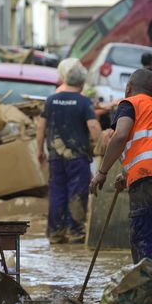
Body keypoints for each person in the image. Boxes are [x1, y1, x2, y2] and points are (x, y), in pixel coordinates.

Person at [89, 68, 152, 263]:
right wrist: (127, 174)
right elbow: (151, 147)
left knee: (145, 239)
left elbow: (121, 135)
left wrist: (102, 172)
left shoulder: (129, 103)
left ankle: (146, 290)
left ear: (128, 87)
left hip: (150, 179)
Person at [36, 58, 102, 244]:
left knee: (57, 192)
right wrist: (102, 147)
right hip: (77, 158)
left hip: (55, 157)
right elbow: (94, 128)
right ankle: (75, 232)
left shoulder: (51, 101)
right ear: (82, 82)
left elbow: (41, 127)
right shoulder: (83, 102)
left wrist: (39, 150)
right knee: (77, 192)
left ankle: (56, 234)